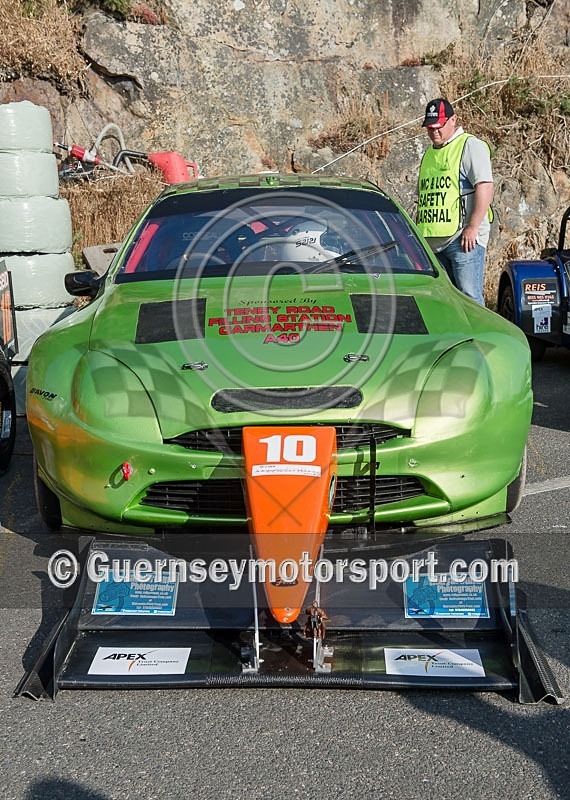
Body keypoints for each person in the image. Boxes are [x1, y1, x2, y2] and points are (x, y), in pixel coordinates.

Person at [416, 98, 494, 306]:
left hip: (462, 240)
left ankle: (482, 338)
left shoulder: (470, 145)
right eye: (430, 127)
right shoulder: (429, 154)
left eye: (439, 126)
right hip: (434, 244)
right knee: (446, 304)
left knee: (470, 300)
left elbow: (485, 186)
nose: (434, 131)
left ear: (453, 120)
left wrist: (473, 227)